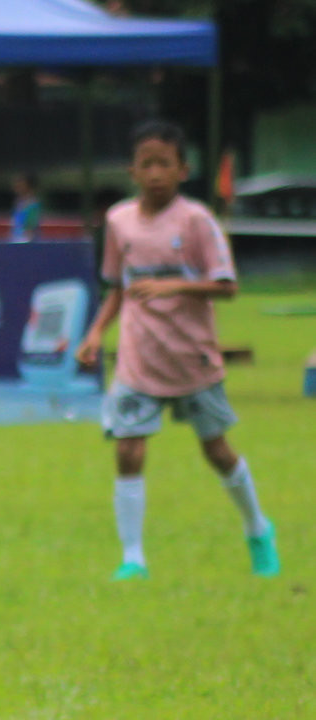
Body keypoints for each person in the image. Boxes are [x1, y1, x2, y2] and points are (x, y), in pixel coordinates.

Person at [76, 121, 277, 582]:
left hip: (191, 358)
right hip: (139, 359)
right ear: (132, 171)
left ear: (183, 169)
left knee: (217, 451)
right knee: (128, 450)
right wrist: (95, 333)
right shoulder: (118, 221)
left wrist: (172, 286)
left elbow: (227, 286)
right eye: (145, 164)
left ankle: (258, 528)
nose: (155, 173)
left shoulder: (196, 221)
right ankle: (133, 559)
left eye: (164, 163)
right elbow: (117, 289)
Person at [9, 173, 42, 242]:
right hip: (16, 241)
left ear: (28, 185)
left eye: (20, 183)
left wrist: (26, 244)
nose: (16, 185)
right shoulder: (18, 202)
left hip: (25, 243)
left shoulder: (32, 205)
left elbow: (30, 229)